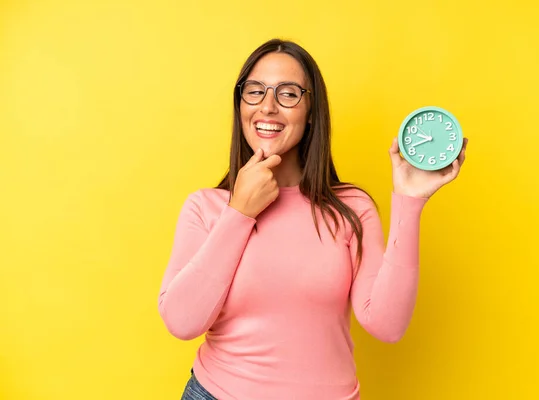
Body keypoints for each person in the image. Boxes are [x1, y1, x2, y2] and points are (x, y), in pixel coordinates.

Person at [157, 38, 468, 400]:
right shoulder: (206, 207)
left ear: (311, 110)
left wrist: (410, 201)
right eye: (255, 91)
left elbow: (387, 325)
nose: (268, 107)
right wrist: (239, 213)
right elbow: (181, 322)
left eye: (288, 94)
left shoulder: (351, 209)